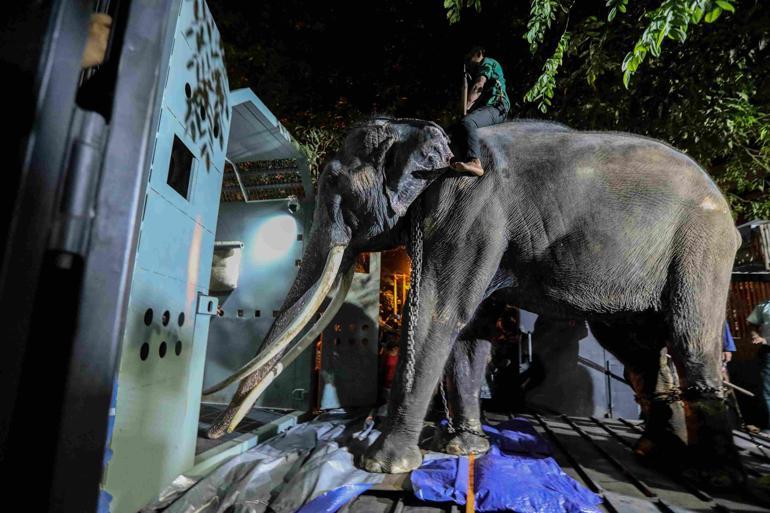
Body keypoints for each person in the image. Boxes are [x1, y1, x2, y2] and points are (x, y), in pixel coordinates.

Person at [450, 46, 510, 177]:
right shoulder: (477, 70)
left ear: (478, 53)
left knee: (468, 121)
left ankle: (475, 162)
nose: (467, 61)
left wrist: (466, 106)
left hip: (497, 107)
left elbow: (478, 86)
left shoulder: (488, 63)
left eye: (469, 57)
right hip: (488, 108)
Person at [748, 298, 770, 430]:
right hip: (768, 353)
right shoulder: (764, 305)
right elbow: (751, 323)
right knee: (768, 392)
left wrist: (765, 339)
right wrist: (755, 335)